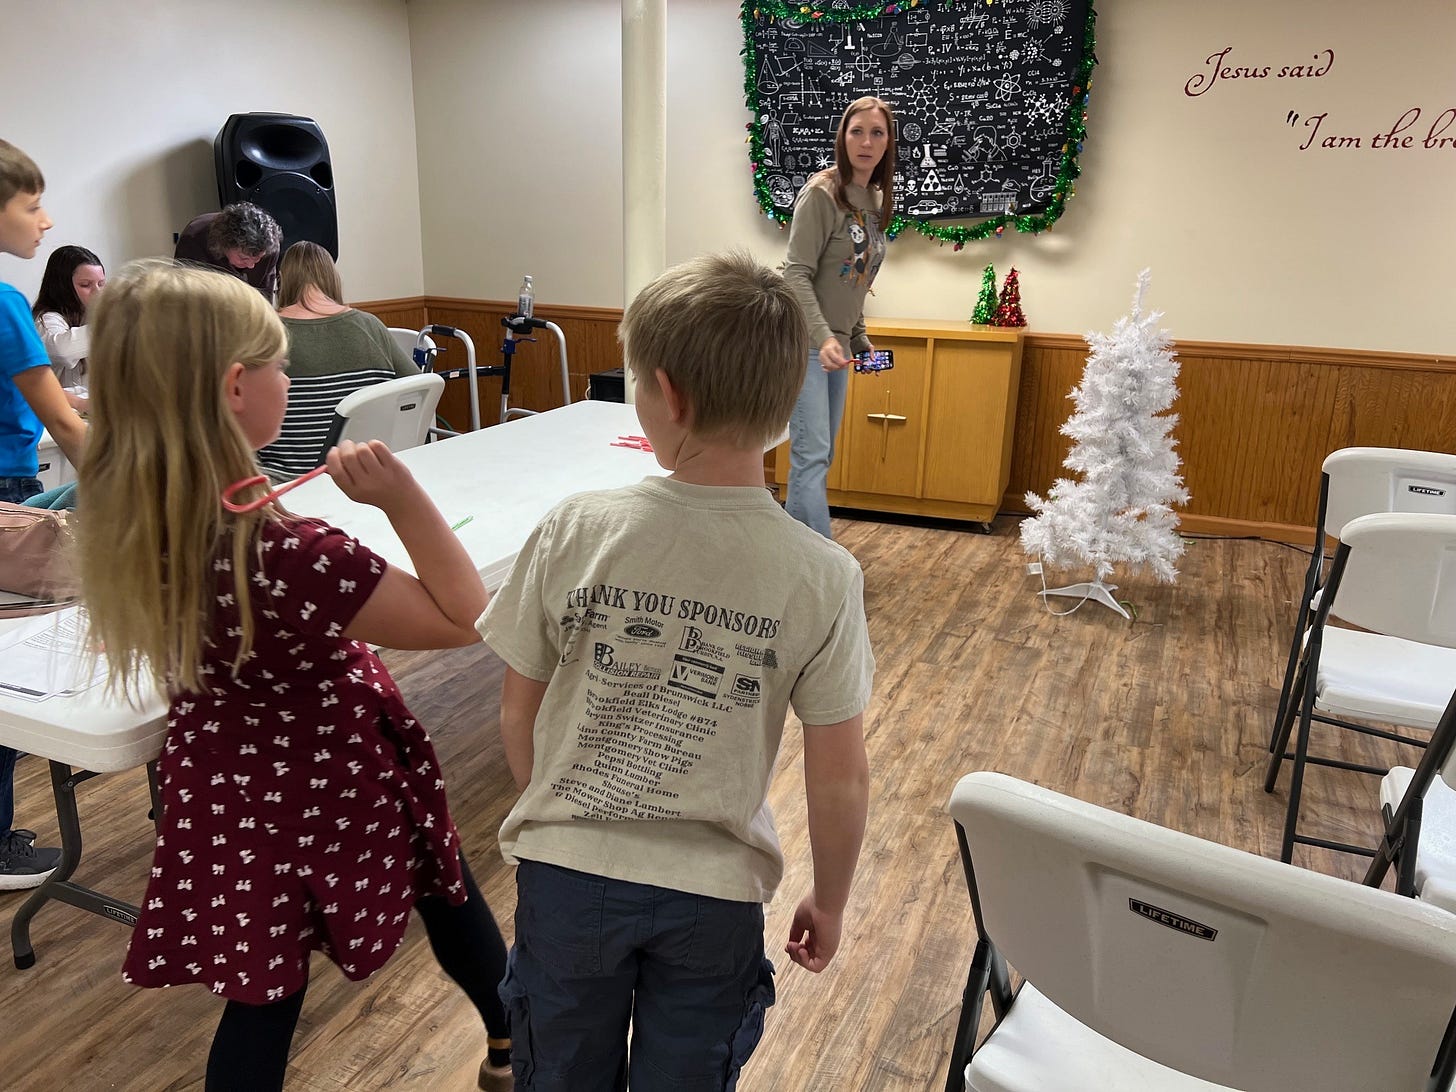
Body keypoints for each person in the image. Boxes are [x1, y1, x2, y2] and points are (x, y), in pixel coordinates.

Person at [74, 260, 513, 1092]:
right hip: (331, 775)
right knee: (445, 889)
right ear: (235, 387)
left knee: (264, 987)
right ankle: (511, 1045)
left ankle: (507, 1041)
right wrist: (403, 497)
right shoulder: (290, 554)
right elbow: (467, 618)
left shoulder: (136, 520)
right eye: (281, 364)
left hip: (224, 783)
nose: (290, 378)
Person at [478, 250, 874, 1091]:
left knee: (560, 1073)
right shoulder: (822, 574)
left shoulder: (575, 527)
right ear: (785, 403)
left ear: (670, 394)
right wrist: (832, 898)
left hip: (568, 880)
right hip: (714, 896)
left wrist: (558, 817)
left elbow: (518, 711)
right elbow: (840, 776)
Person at [0, 138, 82, 889]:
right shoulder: (5, 304)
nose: (45, 220)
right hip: (6, 491)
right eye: (32, 206)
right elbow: (63, 422)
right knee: (10, 669)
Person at [783, 96, 897, 539]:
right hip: (807, 344)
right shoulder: (821, 193)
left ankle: (801, 554)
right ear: (842, 138)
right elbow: (796, 273)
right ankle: (819, 559)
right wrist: (824, 336)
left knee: (821, 456)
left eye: (877, 133)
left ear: (887, 143)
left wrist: (858, 336)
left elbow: (856, 277)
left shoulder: (874, 199)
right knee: (811, 457)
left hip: (839, 346)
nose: (866, 142)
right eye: (857, 131)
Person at [258, 241, 418, 480]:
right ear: (332, 278)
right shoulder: (371, 326)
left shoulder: (266, 330)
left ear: (282, 280)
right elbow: (419, 388)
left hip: (287, 482)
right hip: (364, 476)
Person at [174, 201, 282, 301]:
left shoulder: (270, 246)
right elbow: (183, 293)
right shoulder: (194, 239)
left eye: (258, 259)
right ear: (225, 245)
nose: (251, 266)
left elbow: (263, 297)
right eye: (243, 258)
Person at [32, 243, 104, 387]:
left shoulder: (91, 315)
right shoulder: (46, 320)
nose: (97, 292)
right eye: (85, 285)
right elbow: (63, 351)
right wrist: (112, 323)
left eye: (101, 284)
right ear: (63, 287)